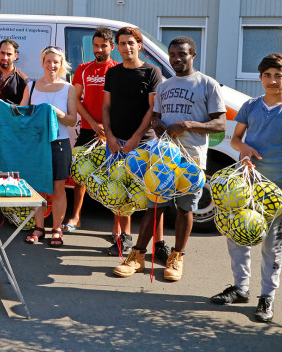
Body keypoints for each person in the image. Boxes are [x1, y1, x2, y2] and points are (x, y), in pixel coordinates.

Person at [114, 36, 225, 281]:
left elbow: (220, 124)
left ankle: (177, 257)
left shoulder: (207, 84)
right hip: (162, 158)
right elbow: (154, 117)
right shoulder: (164, 86)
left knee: (185, 209)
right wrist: (159, 124)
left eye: (182, 54)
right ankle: (138, 257)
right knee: (154, 207)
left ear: (192, 55)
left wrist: (187, 125)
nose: (176, 59)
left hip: (191, 160)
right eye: (172, 55)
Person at [210, 53, 282, 322]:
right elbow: (237, 139)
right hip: (247, 185)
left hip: (277, 191)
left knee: (271, 246)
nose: (272, 80)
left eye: (278, 75)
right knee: (238, 235)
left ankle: (267, 297)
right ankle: (240, 289)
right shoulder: (251, 106)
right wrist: (245, 149)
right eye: (267, 75)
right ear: (260, 78)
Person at [102, 27, 162, 257]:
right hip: (115, 143)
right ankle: (124, 237)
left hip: (145, 143)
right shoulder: (113, 73)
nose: (127, 47)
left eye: (131, 43)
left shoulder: (152, 72)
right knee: (120, 193)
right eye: (122, 43)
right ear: (117, 47)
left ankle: (157, 244)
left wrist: (136, 139)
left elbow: (152, 109)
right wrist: (110, 136)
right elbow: (106, 107)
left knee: (152, 194)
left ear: (140, 46)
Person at [21, 46, 77, 247]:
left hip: (59, 143)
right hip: (37, 144)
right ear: (42, 62)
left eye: (56, 62)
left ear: (61, 64)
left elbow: (72, 120)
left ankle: (56, 229)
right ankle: (38, 228)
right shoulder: (32, 87)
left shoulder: (69, 88)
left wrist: (56, 113)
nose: (52, 65)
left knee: (58, 189)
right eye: (48, 61)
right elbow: (22, 114)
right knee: (37, 187)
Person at [67, 26, 118, 233]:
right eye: (96, 46)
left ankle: (118, 227)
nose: (99, 49)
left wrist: (106, 128)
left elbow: (120, 103)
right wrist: (94, 124)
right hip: (88, 129)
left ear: (111, 47)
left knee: (116, 176)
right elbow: (76, 100)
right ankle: (76, 217)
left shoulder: (117, 69)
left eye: (103, 46)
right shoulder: (83, 69)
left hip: (112, 132)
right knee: (80, 175)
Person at [0, 39, 29, 105]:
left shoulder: (24, 80)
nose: (5, 57)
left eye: (9, 54)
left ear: (15, 56)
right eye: (2, 53)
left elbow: (25, 109)